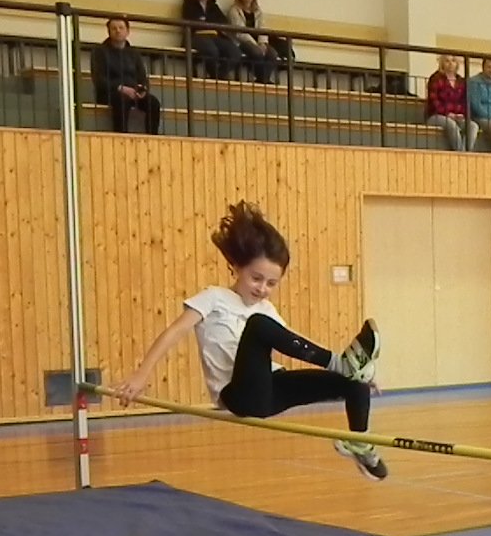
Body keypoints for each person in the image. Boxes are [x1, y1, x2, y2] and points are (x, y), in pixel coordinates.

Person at [112, 202, 388, 479]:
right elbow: (174, 332)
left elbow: (294, 341)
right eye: (256, 278)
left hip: (271, 390)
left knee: (355, 381)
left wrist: (353, 374)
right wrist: (141, 374)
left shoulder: (266, 310)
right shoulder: (214, 298)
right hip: (238, 395)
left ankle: (361, 444)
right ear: (236, 267)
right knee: (258, 326)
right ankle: (341, 363)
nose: (262, 289)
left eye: (271, 283)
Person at [90, 16, 161, 135]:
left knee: (153, 103)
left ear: (127, 31)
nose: (117, 31)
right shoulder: (99, 52)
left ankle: (152, 137)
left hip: (133, 92)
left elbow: (142, 77)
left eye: (121, 28)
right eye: (114, 28)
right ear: (109, 32)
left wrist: (142, 89)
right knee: (122, 100)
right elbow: (99, 79)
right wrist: (121, 88)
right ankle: (121, 136)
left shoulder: (134, 53)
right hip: (110, 93)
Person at [180, 0, 241, 80]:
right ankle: (214, 75)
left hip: (214, 35)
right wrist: (208, 22)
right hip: (195, 36)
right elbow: (191, 20)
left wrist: (206, 22)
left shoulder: (213, 5)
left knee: (235, 52)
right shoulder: (189, 3)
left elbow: (223, 21)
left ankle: (219, 75)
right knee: (211, 50)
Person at [227, 0, 283, 84]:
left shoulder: (258, 11)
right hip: (242, 41)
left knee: (272, 53)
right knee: (256, 52)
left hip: (257, 41)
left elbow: (262, 28)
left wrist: (262, 43)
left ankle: (263, 79)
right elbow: (240, 31)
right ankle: (263, 79)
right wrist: (255, 44)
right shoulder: (234, 10)